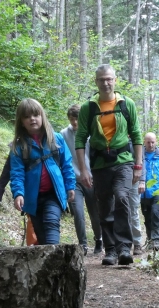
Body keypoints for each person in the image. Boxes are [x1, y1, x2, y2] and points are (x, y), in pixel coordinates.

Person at [75, 64, 143, 266]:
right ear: (96, 82)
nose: (106, 83)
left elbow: (137, 134)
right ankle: (110, 250)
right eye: (101, 79)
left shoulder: (126, 104)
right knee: (104, 204)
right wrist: (83, 170)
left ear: (115, 80)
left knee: (121, 197)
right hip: (99, 164)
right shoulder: (88, 107)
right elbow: (80, 139)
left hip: (123, 161)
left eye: (109, 79)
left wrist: (138, 165)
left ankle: (124, 247)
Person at [10, 98, 76, 245]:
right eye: (27, 116)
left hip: (54, 194)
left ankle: (55, 259)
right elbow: (17, 173)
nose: (32, 119)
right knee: (41, 236)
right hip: (32, 198)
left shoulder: (56, 139)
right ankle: (51, 263)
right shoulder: (18, 147)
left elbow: (67, 164)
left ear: (42, 116)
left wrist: (70, 186)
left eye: (35, 115)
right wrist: (18, 193)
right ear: (21, 121)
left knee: (52, 223)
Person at [61, 104, 103, 256]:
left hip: (91, 178)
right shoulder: (63, 134)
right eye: (72, 119)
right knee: (78, 212)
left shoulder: (91, 133)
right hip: (74, 180)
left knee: (94, 212)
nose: (75, 123)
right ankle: (83, 244)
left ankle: (99, 239)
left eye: (77, 119)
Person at [0, 144, 38, 246]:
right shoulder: (19, 146)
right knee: (33, 221)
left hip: (48, 194)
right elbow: (9, 169)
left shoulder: (48, 141)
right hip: (29, 192)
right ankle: (34, 249)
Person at [128, 139, 146, 255]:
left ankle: (137, 243)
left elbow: (141, 161)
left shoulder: (136, 142)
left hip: (134, 180)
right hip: (118, 180)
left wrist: (142, 181)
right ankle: (123, 242)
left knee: (133, 211)